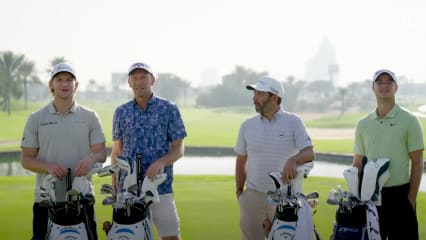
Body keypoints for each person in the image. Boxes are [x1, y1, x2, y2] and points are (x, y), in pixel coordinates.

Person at [21, 62, 107, 240]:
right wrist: (48, 167)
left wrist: (91, 160)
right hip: (45, 200)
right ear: (51, 85)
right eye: (59, 79)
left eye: (69, 80)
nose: (64, 84)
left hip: (82, 198)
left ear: (76, 85)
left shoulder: (90, 116)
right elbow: (26, 159)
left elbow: (100, 153)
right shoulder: (36, 118)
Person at [110, 61, 187, 240]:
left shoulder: (169, 109)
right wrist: (115, 186)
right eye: (134, 78)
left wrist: (161, 162)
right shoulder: (121, 112)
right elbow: (117, 151)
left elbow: (179, 149)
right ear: (129, 82)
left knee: (170, 237)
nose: (139, 82)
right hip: (128, 190)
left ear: (152, 80)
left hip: (160, 187)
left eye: (143, 77)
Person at [234, 75, 315, 240]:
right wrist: (240, 193)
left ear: (275, 98)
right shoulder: (247, 126)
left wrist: (293, 160)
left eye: (260, 94)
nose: (254, 98)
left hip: (284, 198)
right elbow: (241, 160)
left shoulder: (294, 122)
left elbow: (309, 152)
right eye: (254, 93)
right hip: (253, 196)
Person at [352, 69, 424, 240]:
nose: (384, 85)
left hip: (400, 196)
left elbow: (418, 162)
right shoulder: (363, 124)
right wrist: (355, 194)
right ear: (373, 88)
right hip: (370, 196)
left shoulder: (410, 120)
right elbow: (357, 162)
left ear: (396, 87)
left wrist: (410, 199)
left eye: (389, 82)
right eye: (380, 82)